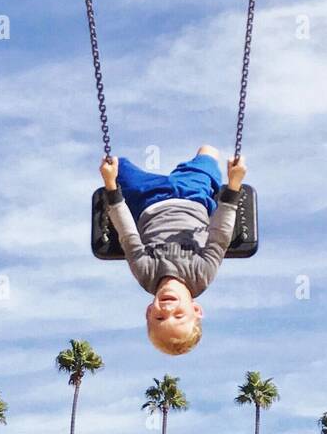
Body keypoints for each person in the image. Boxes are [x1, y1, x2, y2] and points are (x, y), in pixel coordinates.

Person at [99, 146, 247, 355]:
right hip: (193, 195)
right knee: (208, 152)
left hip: (148, 198)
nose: (167, 310)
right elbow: (219, 237)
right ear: (196, 310)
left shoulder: (146, 274)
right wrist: (233, 185)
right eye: (178, 315)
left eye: (159, 318)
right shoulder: (201, 274)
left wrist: (111, 187)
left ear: (149, 312)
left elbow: (128, 235)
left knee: (115, 164)